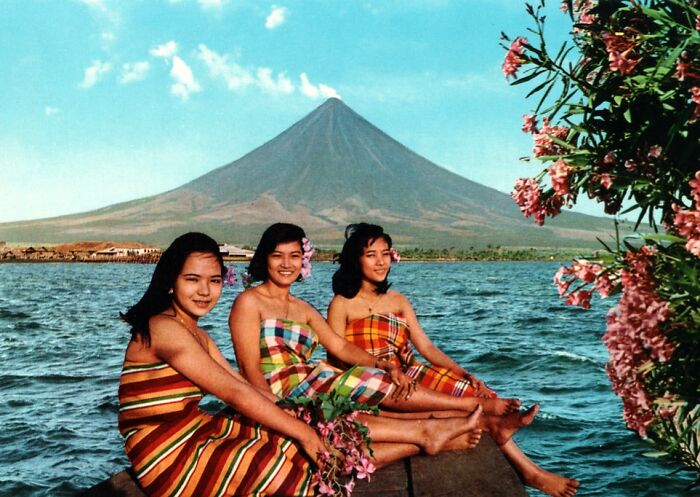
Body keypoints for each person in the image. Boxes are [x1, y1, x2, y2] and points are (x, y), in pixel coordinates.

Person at [118, 232, 483, 497]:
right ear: (170, 282)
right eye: (192, 280)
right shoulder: (162, 328)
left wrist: (300, 419)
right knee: (279, 466)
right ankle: (426, 435)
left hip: (193, 430)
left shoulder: (193, 331)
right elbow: (234, 389)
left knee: (296, 439)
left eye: (214, 281)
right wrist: (304, 430)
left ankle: (425, 437)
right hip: (165, 450)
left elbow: (238, 385)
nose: (205, 291)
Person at [327, 222, 580, 497]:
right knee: (468, 407)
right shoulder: (342, 304)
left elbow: (425, 347)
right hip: (373, 380)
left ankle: (529, 470)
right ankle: (509, 449)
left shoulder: (398, 301)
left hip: (408, 373)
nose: (380, 262)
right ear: (356, 259)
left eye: (385, 253)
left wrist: (466, 373)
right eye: (371, 254)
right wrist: (379, 370)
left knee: (475, 391)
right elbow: (337, 355)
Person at [228, 223, 538, 447]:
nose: (286, 264)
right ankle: (477, 411)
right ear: (264, 259)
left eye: (294, 256)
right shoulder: (249, 302)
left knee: (383, 382)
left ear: (303, 261)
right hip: (276, 389)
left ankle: (479, 419)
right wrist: (272, 409)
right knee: (367, 390)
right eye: (277, 256)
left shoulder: (304, 308)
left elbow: (338, 345)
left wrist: (387, 365)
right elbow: (249, 367)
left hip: (310, 381)